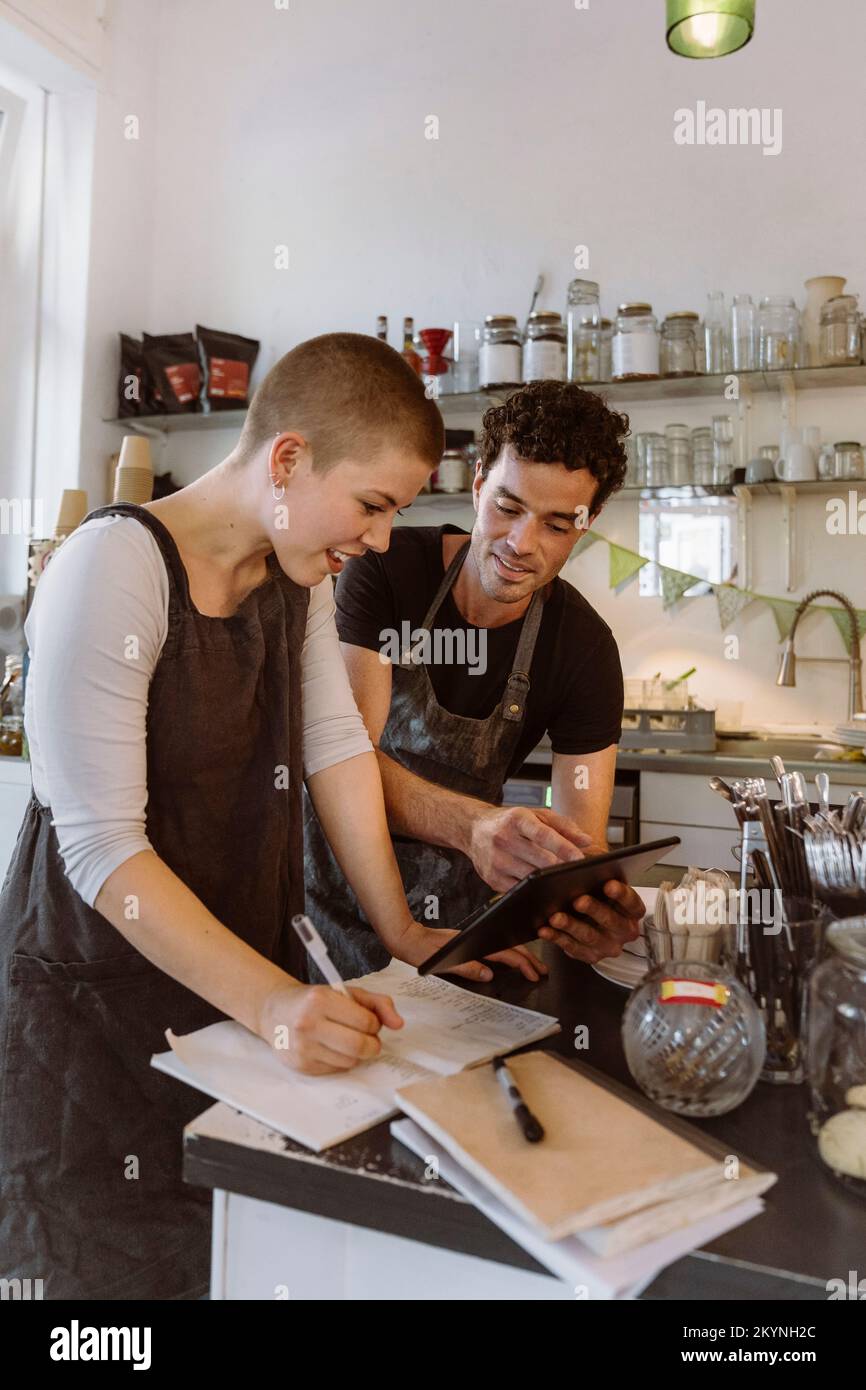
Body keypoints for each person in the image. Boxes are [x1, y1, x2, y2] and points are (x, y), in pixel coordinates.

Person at [0, 333, 537, 1301]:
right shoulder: (111, 568)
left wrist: (401, 930)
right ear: (288, 459)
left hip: (227, 994)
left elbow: (334, 746)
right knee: (99, 1276)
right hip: (92, 1013)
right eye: (372, 505)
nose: (378, 540)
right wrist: (274, 1005)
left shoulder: (295, 569)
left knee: (225, 1251)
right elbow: (103, 851)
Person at [304, 380, 646, 978]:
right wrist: (474, 826)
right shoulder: (384, 569)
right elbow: (344, 758)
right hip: (323, 907)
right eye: (508, 508)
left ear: (588, 521)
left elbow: (577, 848)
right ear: (479, 480)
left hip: (457, 933)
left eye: (557, 525)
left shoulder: (584, 650)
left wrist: (584, 907)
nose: (521, 545)